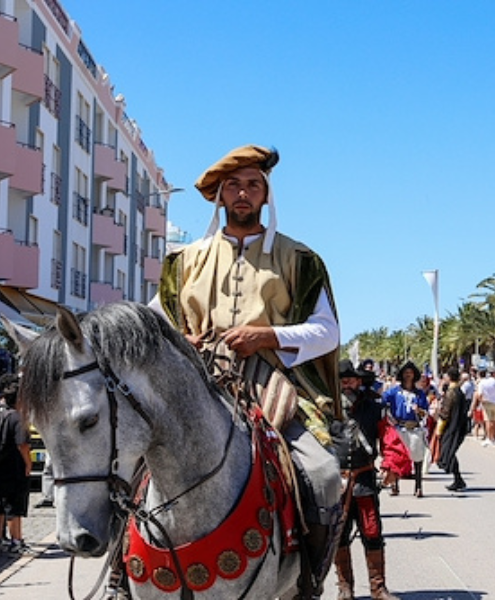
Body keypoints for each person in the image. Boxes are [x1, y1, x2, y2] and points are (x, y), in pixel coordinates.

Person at [154, 145, 341, 595]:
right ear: (219, 197)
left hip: (274, 384)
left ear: (266, 195)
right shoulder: (183, 261)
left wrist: (268, 336)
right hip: (195, 384)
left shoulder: (301, 260)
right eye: (233, 185)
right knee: (128, 467)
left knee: (324, 474)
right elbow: (154, 324)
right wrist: (183, 341)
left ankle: (309, 577)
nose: (243, 193)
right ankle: (124, 576)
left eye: (253, 184)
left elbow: (328, 332)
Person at [333, 360, 401, 600]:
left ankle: (378, 588)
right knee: (338, 535)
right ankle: (344, 587)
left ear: (359, 381)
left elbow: (390, 437)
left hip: (364, 480)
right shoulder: (325, 409)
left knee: (372, 533)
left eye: (350, 380)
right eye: (342, 380)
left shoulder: (375, 407)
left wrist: (391, 463)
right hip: (335, 483)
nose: (346, 384)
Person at [0, 373, 33, 555]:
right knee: (15, 504)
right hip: (14, 465)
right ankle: (16, 541)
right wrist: (28, 465)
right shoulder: (16, 417)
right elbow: (23, 445)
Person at [382, 361, 429, 497]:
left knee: (417, 457)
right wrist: (390, 418)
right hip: (399, 428)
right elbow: (383, 402)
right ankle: (395, 485)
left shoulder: (419, 394)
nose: (408, 375)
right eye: (406, 373)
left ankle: (418, 486)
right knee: (397, 457)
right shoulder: (394, 392)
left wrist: (419, 410)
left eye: (410, 373)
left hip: (414, 428)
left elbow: (425, 412)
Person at [436, 367, 469, 492]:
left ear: (449, 377)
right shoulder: (458, 391)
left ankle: (458, 479)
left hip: (452, 427)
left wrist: (439, 428)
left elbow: (446, 412)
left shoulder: (451, 392)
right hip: (459, 426)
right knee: (451, 452)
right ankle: (458, 479)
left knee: (448, 451)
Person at [474, 367, 495, 446]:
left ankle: (489, 438)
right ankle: (494, 437)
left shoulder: (482, 383)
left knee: (488, 421)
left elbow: (479, 394)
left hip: (486, 403)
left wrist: (482, 401)